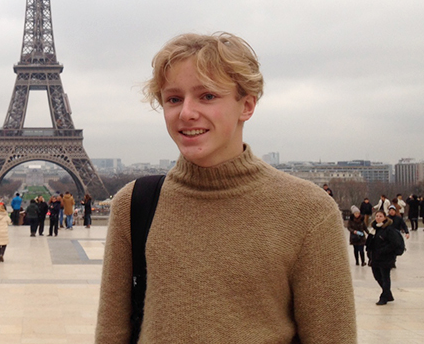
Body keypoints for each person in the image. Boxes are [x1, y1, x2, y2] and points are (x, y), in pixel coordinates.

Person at [95, 32, 356, 343]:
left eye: (207, 96)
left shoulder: (309, 212)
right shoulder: (133, 204)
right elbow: (111, 333)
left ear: (246, 106)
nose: (186, 112)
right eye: (173, 98)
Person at [366, 210, 404, 305]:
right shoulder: (374, 229)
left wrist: (383, 250)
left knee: (385, 277)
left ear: (385, 218)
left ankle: (384, 297)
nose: (378, 218)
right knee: (377, 276)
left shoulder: (389, 229)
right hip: (375, 257)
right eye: (377, 216)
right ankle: (388, 294)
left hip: (386, 258)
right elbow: (369, 243)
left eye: (380, 216)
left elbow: (394, 243)